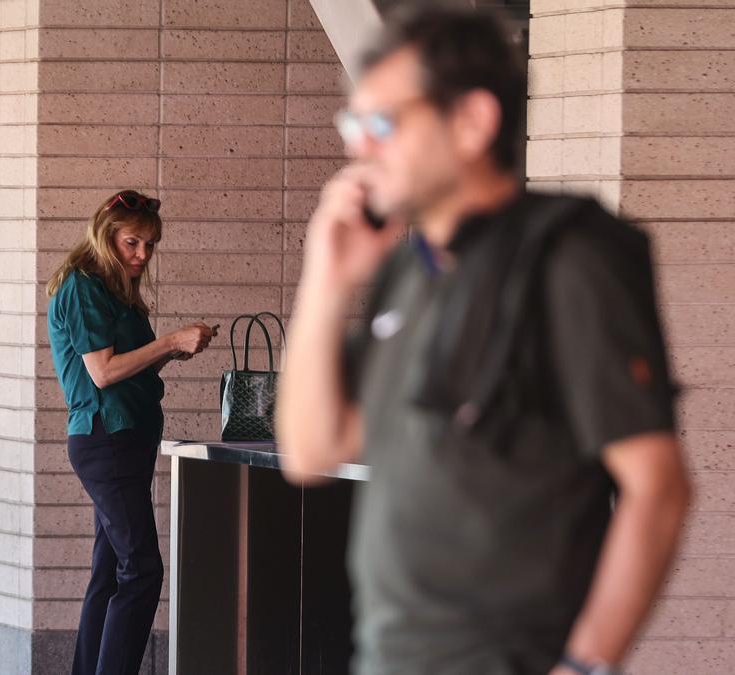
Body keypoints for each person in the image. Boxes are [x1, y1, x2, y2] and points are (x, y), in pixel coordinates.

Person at [276, 6, 691, 675]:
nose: (359, 148)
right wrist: (325, 281)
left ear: (472, 122)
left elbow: (659, 485)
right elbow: (310, 449)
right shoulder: (408, 268)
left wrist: (586, 667)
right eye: (354, 125)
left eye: (381, 123)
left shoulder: (567, 257)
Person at [46, 190, 217, 675]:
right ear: (105, 237)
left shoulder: (112, 289)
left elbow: (123, 368)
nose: (142, 255)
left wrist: (168, 353)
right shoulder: (83, 286)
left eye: (150, 246)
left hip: (126, 440)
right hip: (107, 440)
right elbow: (101, 372)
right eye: (131, 243)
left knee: (110, 572)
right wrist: (169, 340)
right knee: (142, 570)